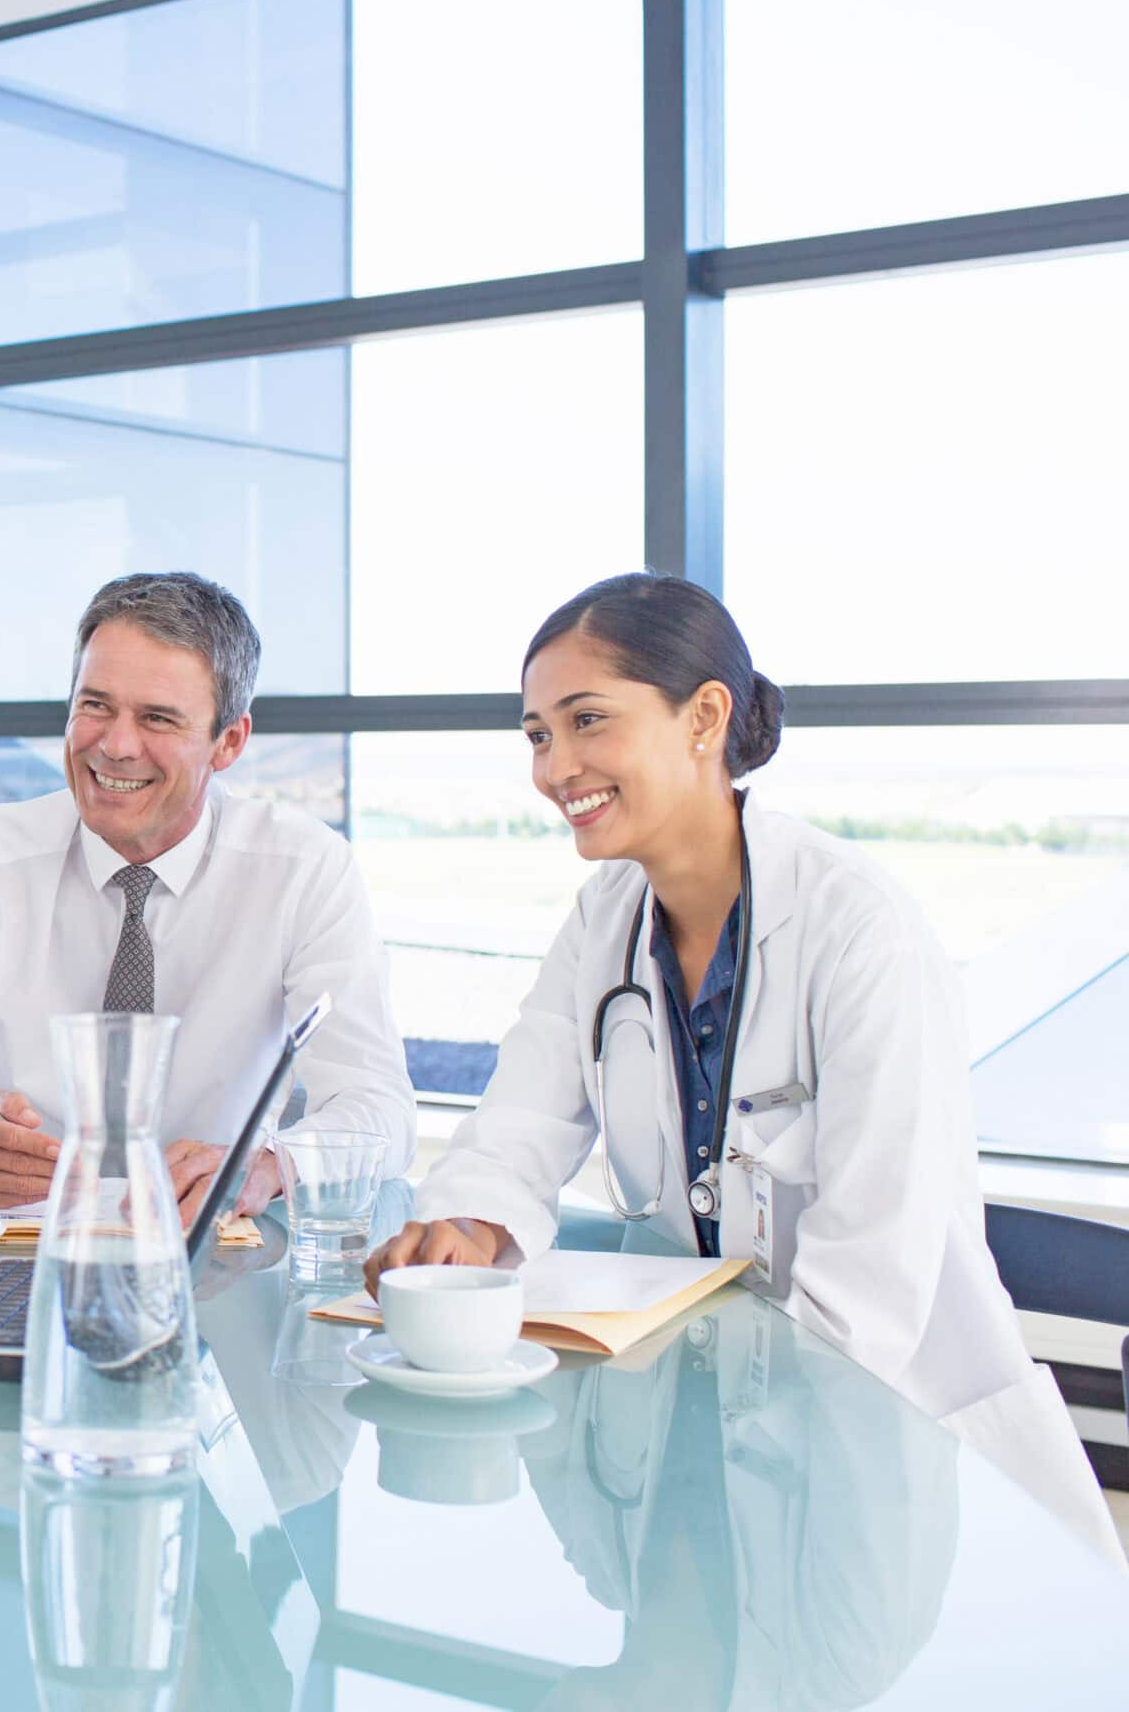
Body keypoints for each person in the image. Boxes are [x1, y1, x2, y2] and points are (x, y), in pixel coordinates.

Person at [366, 571, 1121, 1565]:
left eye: (587, 720)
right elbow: (523, 1118)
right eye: (537, 734)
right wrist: (465, 1221)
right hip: (700, 1421)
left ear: (703, 717)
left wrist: (739, 1427)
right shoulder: (605, 921)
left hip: (879, 1432)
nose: (554, 768)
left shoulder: (857, 927)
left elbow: (873, 1272)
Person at [0, 571, 416, 1224]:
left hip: (215, 1255)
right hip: (23, 1251)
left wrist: (267, 1163)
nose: (114, 744)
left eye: (157, 718)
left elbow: (380, 1108)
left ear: (228, 741)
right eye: (95, 705)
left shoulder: (305, 871)